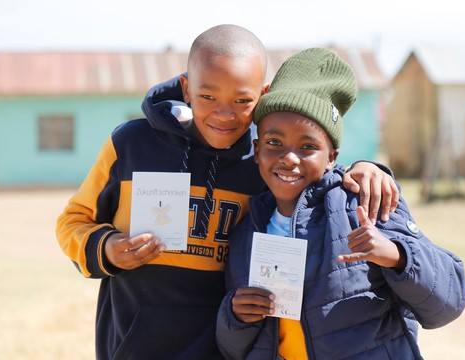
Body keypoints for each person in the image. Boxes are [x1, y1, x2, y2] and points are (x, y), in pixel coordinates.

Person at [56, 25, 399, 360]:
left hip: (228, 344)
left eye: (242, 100)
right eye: (208, 96)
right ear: (186, 89)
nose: (224, 113)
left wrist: (366, 168)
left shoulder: (264, 163)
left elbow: (315, 172)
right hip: (134, 344)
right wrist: (107, 249)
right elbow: (74, 221)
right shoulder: (132, 144)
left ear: (262, 95)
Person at [216, 47, 465, 360]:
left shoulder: (363, 203)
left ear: (332, 157)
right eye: (274, 143)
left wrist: (396, 256)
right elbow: (234, 350)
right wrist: (235, 316)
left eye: (308, 146)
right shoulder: (246, 231)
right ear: (257, 150)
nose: (289, 158)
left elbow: (450, 301)